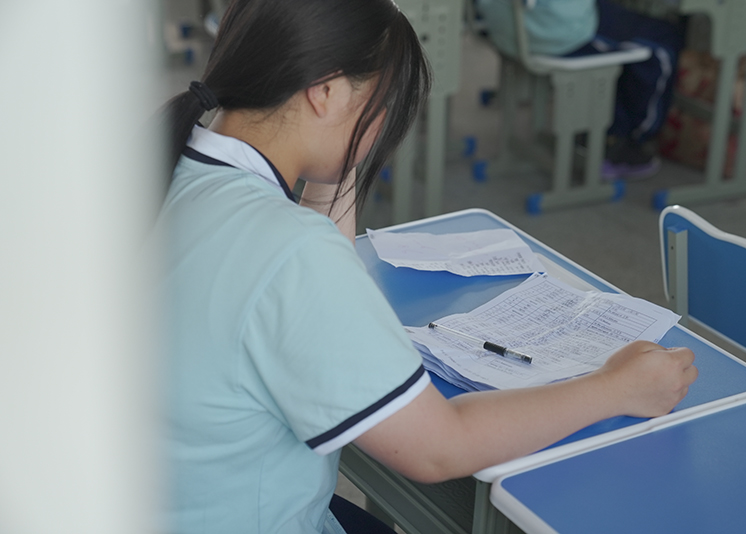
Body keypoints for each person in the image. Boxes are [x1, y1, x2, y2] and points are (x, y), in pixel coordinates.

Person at [156, 0, 698, 533]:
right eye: (382, 104)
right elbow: (437, 448)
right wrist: (615, 387)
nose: (381, 129)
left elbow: (310, 276)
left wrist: (334, 149)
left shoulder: (164, 167)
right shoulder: (291, 250)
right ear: (326, 92)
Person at [477, 0, 686, 180]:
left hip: (503, 23)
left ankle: (605, 129)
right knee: (662, 39)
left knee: (626, 24)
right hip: (553, 29)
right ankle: (623, 143)